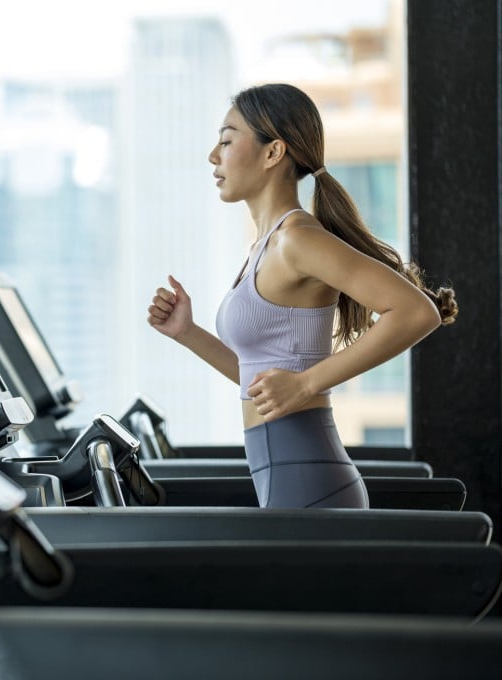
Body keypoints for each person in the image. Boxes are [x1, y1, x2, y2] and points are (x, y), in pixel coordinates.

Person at [146, 83, 457, 509]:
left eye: (226, 140)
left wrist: (308, 383)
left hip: (310, 483)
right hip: (288, 476)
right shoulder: (266, 246)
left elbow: (417, 312)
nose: (213, 156)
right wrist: (187, 332)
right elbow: (260, 380)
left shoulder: (296, 239)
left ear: (273, 153)